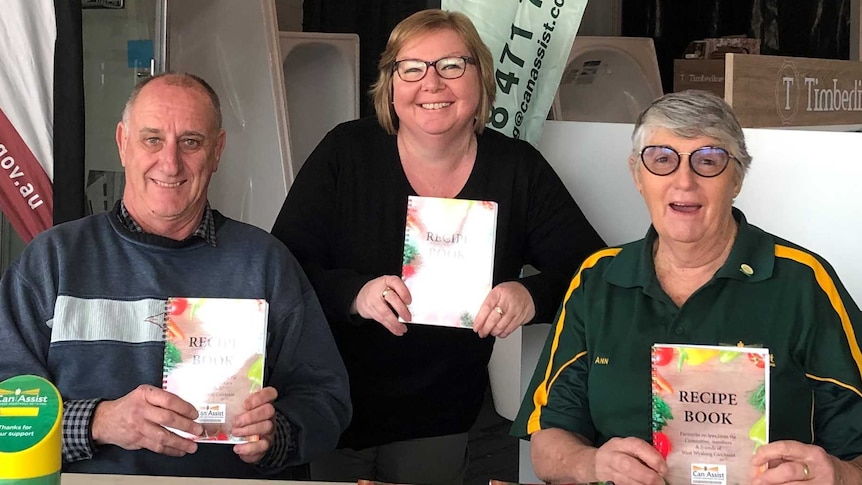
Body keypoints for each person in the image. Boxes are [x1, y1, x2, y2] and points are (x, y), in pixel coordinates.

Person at [270, 8, 605, 485]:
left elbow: (593, 270)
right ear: (390, 83)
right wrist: (354, 293)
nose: (431, 83)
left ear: (481, 76)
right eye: (411, 68)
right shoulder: (346, 153)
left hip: (442, 412)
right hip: (332, 400)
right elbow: (282, 266)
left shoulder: (516, 169)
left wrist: (532, 295)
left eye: (451, 65)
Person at [0, 73, 351, 478]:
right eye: (152, 139)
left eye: (191, 142)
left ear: (216, 151)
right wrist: (100, 422)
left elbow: (327, 399)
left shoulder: (265, 263)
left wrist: (279, 435)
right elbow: (8, 409)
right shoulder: (52, 261)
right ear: (122, 144)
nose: (170, 162)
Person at [512, 90, 862, 485]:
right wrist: (590, 464)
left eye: (708, 161)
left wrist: (839, 475)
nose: (684, 181)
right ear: (637, 175)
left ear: (737, 179)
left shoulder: (803, 282)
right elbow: (548, 442)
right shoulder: (598, 279)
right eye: (662, 159)